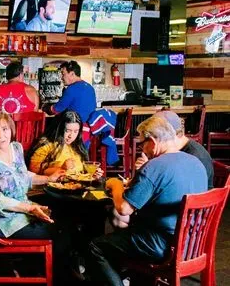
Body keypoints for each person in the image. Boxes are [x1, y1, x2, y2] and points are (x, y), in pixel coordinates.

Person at [87, 116, 208, 286]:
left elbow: (124, 208)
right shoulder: (195, 162)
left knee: (95, 246)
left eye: (143, 143)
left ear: (152, 140)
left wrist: (115, 185)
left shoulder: (156, 166)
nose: (143, 149)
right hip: (192, 245)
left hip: (162, 246)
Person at [0, 112, 81, 282]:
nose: (0, 135)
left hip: (25, 211)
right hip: (4, 220)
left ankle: (44, 270)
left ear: (12, 130)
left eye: (5, 129)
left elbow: (24, 176)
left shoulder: (16, 148)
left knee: (68, 225)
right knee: (60, 235)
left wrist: (48, 179)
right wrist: (30, 208)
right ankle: (57, 277)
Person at [135, 110, 214, 189]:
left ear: (164, 132)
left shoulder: (196, 156)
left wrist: (150, 172)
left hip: (194, 199)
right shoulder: (170, 151)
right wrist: (148, 168)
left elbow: (180, 188)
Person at [28, 111, 102, 178]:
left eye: (75, 131)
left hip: (75, 186)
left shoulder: (76, 146)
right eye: (68, 131)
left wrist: (92, 173)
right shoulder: (47, 145)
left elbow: (81, 171)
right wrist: (61, 168)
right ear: (60, 129)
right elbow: (33, 170)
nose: (71, 136)